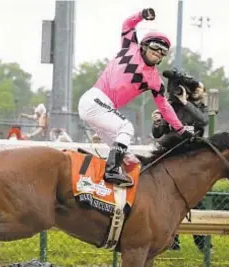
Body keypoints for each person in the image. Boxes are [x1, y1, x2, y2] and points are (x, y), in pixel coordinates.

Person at [78, 8, 193, 187]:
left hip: (101, 109)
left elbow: (165, 107)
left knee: (130, 159)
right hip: (95, 99)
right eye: (155, 47)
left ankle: (112, 188)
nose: (158, 52)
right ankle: (112, 170)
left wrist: (180, 129)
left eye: (163, 51)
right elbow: (127, 25)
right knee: (126, 127)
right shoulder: (129, 47)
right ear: (145, 45)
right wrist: (141, 15)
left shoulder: (155, 80)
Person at [151, 80, 211, 253]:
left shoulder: (200, 109)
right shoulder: (172, 107)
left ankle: (203, 245)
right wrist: (156, 122)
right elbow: (158, 133)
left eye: (200, 88)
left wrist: (186, 102)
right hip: (170, 159)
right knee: (168, 201)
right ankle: (173, 243)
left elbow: (203, 121)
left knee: (196, 201)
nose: (197, 91)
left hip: (190, 160)